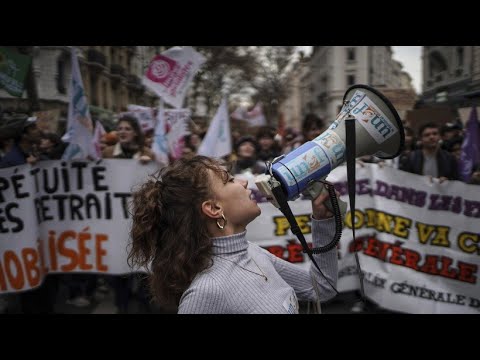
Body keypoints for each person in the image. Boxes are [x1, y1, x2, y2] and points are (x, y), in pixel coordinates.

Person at [127, 155, 339, 314]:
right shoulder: (206, 293)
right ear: (214, 209)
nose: (244, 182)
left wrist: (324, 221)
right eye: (229, 180)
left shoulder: (253, 253)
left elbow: (322, 288)